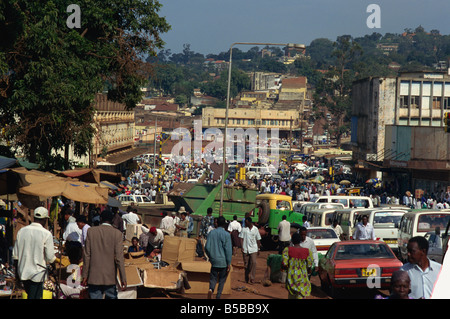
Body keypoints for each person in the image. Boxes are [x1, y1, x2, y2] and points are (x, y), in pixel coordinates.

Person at [82, 209, 127, 299]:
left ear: (101, 219)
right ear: (112, 220)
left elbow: (87, 255)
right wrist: (123, 279)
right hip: (109, 278)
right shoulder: (117, 234)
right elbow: (119, 258)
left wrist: (85, 275)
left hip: (94, 277)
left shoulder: (91, 232)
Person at [12, 207, 56, 299]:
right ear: (44, 220)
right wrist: (54, 267)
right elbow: (50, 256)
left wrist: (17, 274)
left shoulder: (21, 231)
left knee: (32, 295)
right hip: (38, 272)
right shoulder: (46, 234)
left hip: (23, 271)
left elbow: (15, 255)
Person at [205, 216, 232, 299]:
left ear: (217, 223)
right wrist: (229, 262)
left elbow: (207, 247)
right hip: (223, 262)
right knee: (221, 280)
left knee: (213, 278)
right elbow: (228, 250)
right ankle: (218, 296)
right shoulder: (227, 235)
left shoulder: (211, 233)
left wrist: (211, 257)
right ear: (224, 224)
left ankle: (211, 289)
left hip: (214, 261)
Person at [281, 232, 313, 299]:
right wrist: (308, 272)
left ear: (292, 240)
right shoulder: (307, 251)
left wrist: (286, 269)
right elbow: (310, 265)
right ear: (300, 240)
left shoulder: (287, 250)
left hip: (291, 277)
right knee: (301, 295)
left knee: (291, 295)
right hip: (302, 277)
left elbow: (284, 263)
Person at [239, 217, 261, 284]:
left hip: (254, 249)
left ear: (249, 222)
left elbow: (258, 239)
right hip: (245, 249)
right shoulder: (244, 229)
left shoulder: (255, 229)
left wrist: (258, 248)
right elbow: (241, 238)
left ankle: (252, 278)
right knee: (246, 265)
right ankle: (246, 278)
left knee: (253, 262)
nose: (245, 223)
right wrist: (242, 247)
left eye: (246, 222)